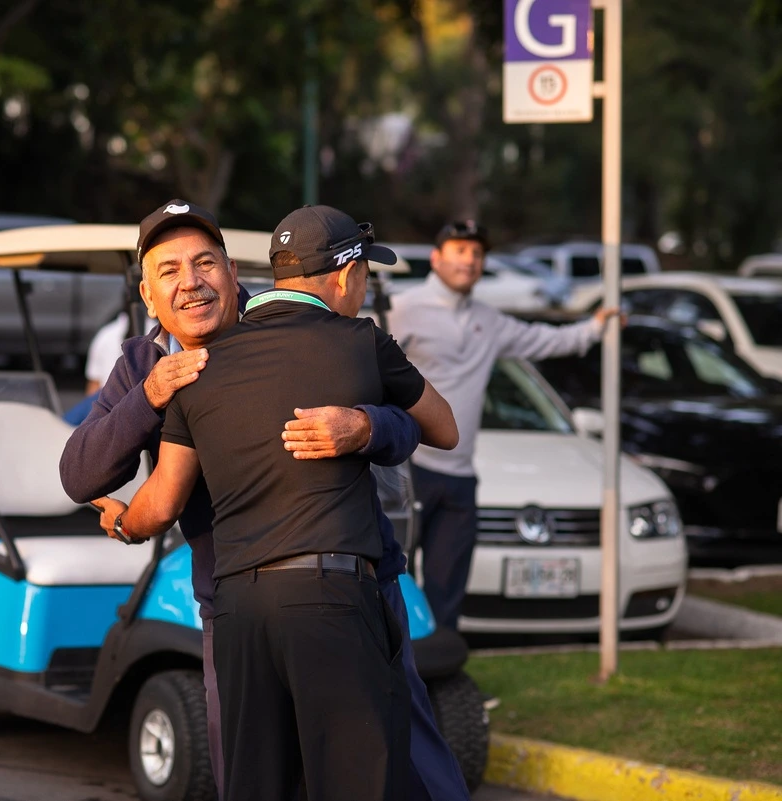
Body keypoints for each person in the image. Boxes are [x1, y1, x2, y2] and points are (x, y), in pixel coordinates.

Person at [60, 199, 470, 801]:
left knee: (408, 773)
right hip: (231, 610)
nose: (192, 283)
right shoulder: (144, 365)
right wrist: (149, 396)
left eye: (205, 263)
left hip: (359, 592)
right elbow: (79, 474)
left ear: (232, 271)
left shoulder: (306, 331)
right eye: (169, 271)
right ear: (148, 296)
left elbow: (413, 423)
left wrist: (364, 426)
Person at [387, 220, 623, 631]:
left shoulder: (488, 320)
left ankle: (444, 686)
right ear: (437, 258)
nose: (470, 261)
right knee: (395, 583)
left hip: (461, 478)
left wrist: (595, 328)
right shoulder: (402, 309)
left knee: (446, 593)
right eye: (460, 251)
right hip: (411, 469)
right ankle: (393, 682)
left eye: (477, 254)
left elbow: (545, 341)